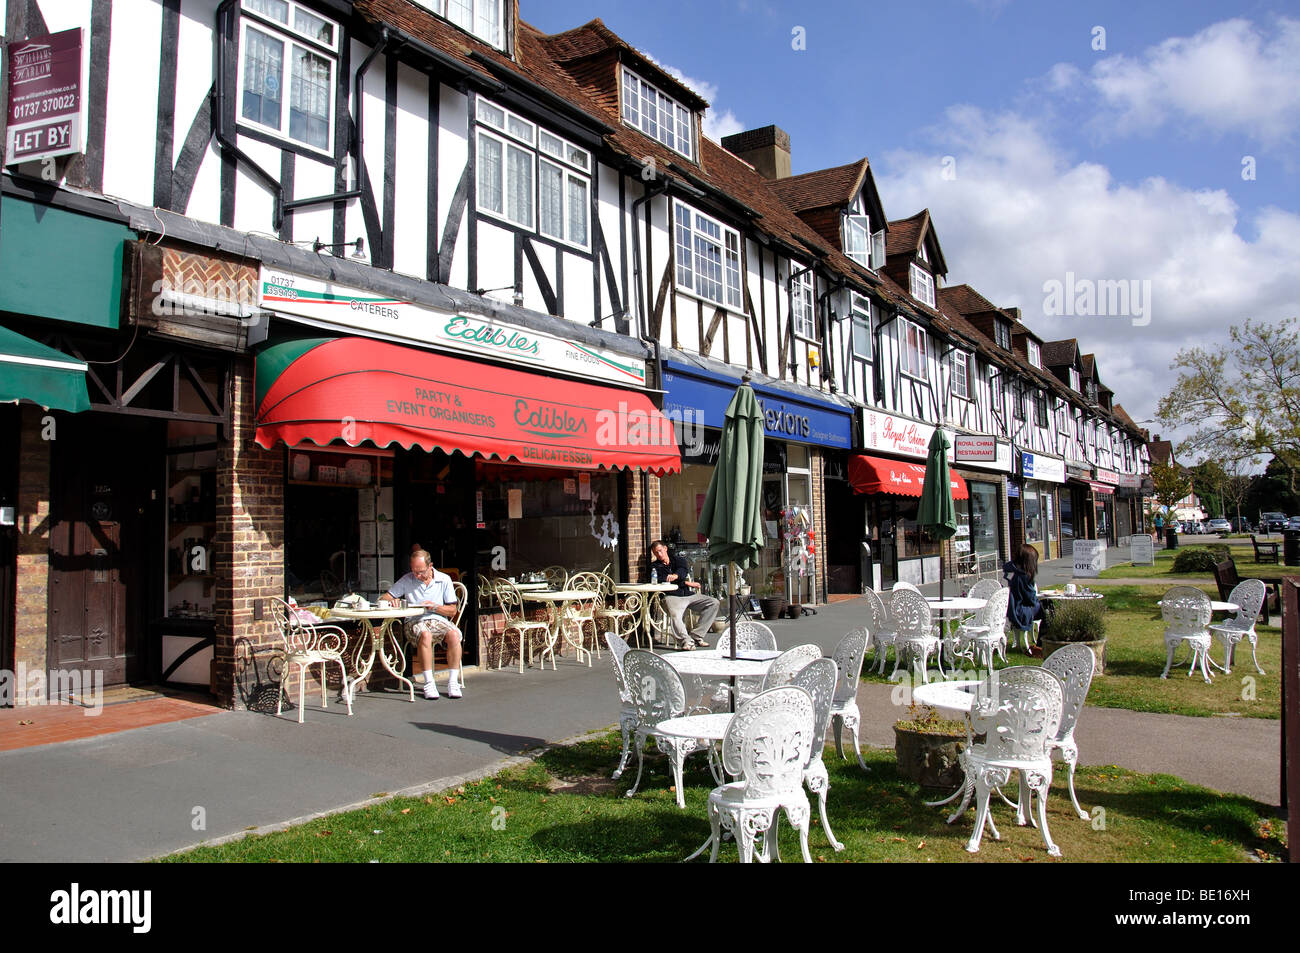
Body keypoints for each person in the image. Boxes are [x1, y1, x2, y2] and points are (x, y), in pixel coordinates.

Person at [384, 550, 462, 699]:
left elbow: (452, 611)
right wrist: (392, 600)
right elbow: (384, 597)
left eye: (420, 572)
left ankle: (453, 681)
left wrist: (435, 607)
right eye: (414, 571)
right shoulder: (407, 580)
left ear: (430, 566)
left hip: (437, 619)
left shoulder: (443, 579)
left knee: (454, 634)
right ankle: (429, 683)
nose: (417, 575)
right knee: (425, 635)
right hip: (414, 620)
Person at [647, 540, 718, 650]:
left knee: (713, 603)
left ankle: (697, 636)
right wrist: (682, 581)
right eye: (656, 553)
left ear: (665, 548)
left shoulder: (678, 560)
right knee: (676, 615)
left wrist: (677, 576)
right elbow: (659, 579)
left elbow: (683, 571)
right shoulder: (655, 567)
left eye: (660, 551)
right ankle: (686, 641)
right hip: (671, 596)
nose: (659, 555)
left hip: (686, 594)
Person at [1003, 543, 1045, 656]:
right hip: (1020, 610)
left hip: (1010, 608)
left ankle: (1041, 643)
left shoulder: (1010, 571)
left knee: (1046, 606)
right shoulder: (1023, 576)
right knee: (1048, 609)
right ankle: (1041, 644)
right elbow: (1030, 599)